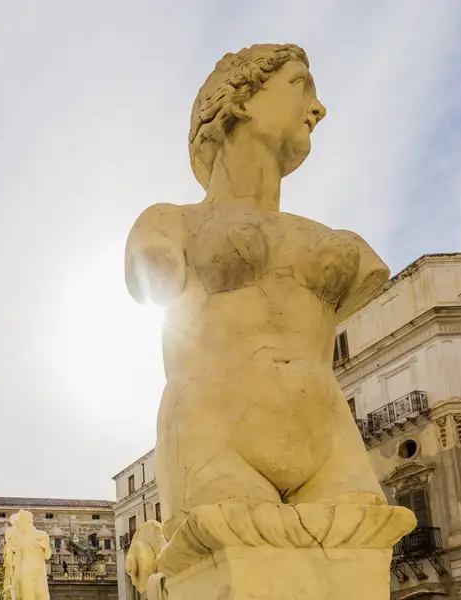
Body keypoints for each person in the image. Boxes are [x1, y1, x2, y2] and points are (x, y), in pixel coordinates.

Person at [125, 44, 390, 544]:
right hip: (214, 437)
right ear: (239, 100)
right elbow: (150, 278)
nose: (318, 108)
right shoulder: (168, 223)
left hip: (330, 440)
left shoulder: (339, 242)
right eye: (300, 85)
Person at [10, 511, 51, 600]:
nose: (18, 525)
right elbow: (16, 557)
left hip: (38, 572)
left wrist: (46, 547)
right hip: (24, 573)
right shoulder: (18, 537)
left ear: (26, 522)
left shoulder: (42, 535)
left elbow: (47, 556)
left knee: (41, 596)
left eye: (19, 522)